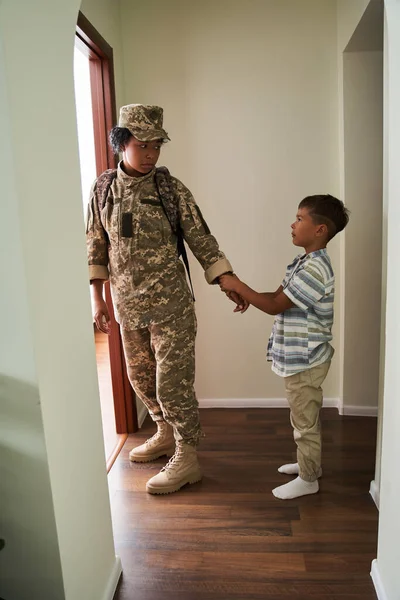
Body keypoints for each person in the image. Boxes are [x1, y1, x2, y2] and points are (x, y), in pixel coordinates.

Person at [86, 104, 248, 495]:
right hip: (127, 306)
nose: (152, 154)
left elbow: (201, 238)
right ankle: (163, 434)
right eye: (143, 145)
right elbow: (95, 243)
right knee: (141, 380)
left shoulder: (169, 189)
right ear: (121, 143)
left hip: (171, 306)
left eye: (157, 145)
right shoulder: (103, 188)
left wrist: (228, 280)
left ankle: (187, 456)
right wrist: (97, 297)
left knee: (173, 383)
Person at [220, 195, 349, 500]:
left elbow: (276, 305)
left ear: (320, 230)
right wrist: (247, 295)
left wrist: (239, 286)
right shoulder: (303, 263)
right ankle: (308, 465)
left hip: (305, 360)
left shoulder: (315, 269)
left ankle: (308, 479)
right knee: (300, 417)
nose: (293, 224)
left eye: (300, 218)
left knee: (305, 422)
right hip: (299, 357)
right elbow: (279, 297)